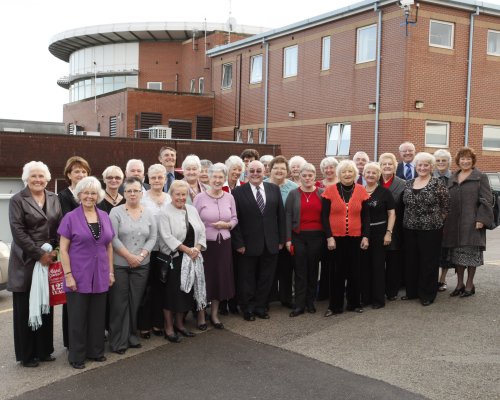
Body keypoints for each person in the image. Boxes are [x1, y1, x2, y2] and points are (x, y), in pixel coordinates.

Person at [8, 161, 61, 367]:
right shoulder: (17, 200)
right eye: (33, 176)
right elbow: (17, 231)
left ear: (47, 178)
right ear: (26, 179)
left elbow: (59, 227)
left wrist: (55, 250)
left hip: (49, 259)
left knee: (45, 305)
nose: (38, 180)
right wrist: (39, 254)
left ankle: (44, 350)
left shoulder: (54, 198)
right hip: (26, 260)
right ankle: (27, 354)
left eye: (41, 176)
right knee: (25, 308)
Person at [58, 176, 115, 369]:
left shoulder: (104, 216)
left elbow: (108, 246)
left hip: (101, 273)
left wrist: (111, 272)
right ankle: (77, 356)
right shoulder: (70, 217)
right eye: (86, 193)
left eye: (93, 193)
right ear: (79, 194)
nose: (89, 196)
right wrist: (68, 275)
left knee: (97, 316)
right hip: (78, 274)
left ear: (98, 195)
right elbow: (63, 249)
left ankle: (96, 351)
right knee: (78, 317)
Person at [231, 160, 286, 321]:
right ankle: (247, 308)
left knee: (266, 277)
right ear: (246, 173)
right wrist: (239, 243)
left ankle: (261, 306)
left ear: (265, 172)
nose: (255, 173)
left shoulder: (273, 189)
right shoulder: (238, 192)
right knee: (247, 278)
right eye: (252, 171)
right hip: (247, 245)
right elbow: (235, 220)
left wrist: (281, 240)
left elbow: (280, 217)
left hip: (271, 243)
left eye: (258, 171)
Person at [108, 177, 157, 354]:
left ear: (141, 192)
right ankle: (117, 341)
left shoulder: (149, 213)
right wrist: (129, 256)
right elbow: (112, 238)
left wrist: (142, 255)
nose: (133, 193)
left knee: (134, 302)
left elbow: (152, 237)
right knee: (119, 304)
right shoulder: (116, 212)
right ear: (124, 193)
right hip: (120, 264)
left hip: (142, 265)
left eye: (136, 190)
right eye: (129, 191)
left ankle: (130, 336)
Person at [158, 180, 207, 343]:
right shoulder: (164, 212)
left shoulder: (192, 209)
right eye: (177, 194)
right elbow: (166, 236)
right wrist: (187, 250)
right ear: (171, 195)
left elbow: (202, 230)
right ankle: (169, 328)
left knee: (185, 293)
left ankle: (180, 324)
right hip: (175, 259)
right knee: (172, 295)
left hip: (193, 258)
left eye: (183, 194)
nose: (180, 197)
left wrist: (197, 249)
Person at [443, 147, 493, 298]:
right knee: (457, 255)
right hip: (453, 223)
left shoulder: (480, 177)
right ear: (458, 161)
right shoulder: (453, 176)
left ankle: (470, 284)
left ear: (473, 160)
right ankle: (459, 284)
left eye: (468, 159)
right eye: (462, 159)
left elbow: (487, 200)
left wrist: (481, 219)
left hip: (472, 222)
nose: (465, 161)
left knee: (471, 254)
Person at [322, 159, 369, 316]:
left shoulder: (362, 191)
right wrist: (329, 237)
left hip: (356, 238)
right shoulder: (330, 191)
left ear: (355, 173)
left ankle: (354, 303)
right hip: (336, 239)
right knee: (336, 273)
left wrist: (366, 236)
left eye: (350, 171)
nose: (347, 174)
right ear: (339, 174)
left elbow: (366, 217)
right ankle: (334, 306)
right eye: (344, 171)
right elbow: (324, 216)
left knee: (355, 271)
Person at [193, 163, 238, 329]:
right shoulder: (199, 198)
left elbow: (234, 219)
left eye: (221, 177)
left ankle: (214, 314)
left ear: (224, 179)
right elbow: (193, 221)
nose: (217, 180)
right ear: (209, 178)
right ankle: (201, 315)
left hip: (224, 244)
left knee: (220, 279)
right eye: (215, 177)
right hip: (205, 246)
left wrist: (226, 225)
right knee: (204, 280)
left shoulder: (229, 197)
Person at [401, 152, 449, 306]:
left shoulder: (437, 184)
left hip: (431, 230)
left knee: (428, 262)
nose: (422, 167)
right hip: (409, 228)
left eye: (426, 165)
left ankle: (427, 294)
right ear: (415, 166)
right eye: (420, 165)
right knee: (411, 261)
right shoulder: (408, 183)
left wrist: (435, 221)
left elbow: (446, 206)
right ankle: (412, 292)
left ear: (431, 167)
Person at [58, 156, 91, 349]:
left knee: (88, 298)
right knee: (72, 297)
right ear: (69, 174)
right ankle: (71, 341)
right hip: (73, 252)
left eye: (84, 171)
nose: (80, 174)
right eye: (76, 171)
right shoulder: (63, 196)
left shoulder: (91, 194)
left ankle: (87, 336)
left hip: (91, 254)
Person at [285, 163, 324, 317]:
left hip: (317, 236)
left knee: (313, 270)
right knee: (300, 270)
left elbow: (326, 216)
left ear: (315, 177)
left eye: (310, 175)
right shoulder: (293, 194)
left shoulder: (322, 193)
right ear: (299, 177)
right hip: (298, 236)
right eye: (304, 176)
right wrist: (288, 239)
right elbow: (287, 216)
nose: (307, 178)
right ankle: (299, 305)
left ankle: (310, 302)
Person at [138, 164, 172, 338]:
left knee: (161, 287)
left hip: (166, 250)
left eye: (160, 177)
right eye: (153, 177)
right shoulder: (142, 198)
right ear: (147, 179)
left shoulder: (169, 198)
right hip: (147, 250)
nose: (157, 180)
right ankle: (144, 324)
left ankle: (158, 323)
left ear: (165, 179)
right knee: (146, 288)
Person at [360, 162, 396, 309]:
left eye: (374, 173)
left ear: (378, 175)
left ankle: (378, 300)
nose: (370, 175)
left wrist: (389, 233)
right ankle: (365, 298)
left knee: (378, 266)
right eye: (368, 172)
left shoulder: (384, 192)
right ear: (363, 174)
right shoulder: (359, 191)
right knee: (364, 266)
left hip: (380, 233)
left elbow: (392, 213)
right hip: (362, 234)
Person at [266, 156, 298, 309]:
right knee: (267, 268)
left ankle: (286, 298)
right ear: (270, 170)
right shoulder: (262, 185)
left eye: (283, 169)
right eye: (276, 168)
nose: (279, 171)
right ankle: (268, 298)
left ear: (288, 171)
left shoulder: (293, 188)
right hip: (267, 234)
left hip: (287, 235)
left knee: (286, 268)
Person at [378, 152, 406, 301]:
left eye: (390, 164)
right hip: (376, 228)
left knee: (393, 261)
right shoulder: (373, 181)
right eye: (384, 164)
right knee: (378, 260)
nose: (387, 167)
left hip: (396, 229)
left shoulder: (403, 183)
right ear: (380, 167)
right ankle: (378, 289)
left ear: (395, 166)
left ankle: (392, 291)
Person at [315, 156, 339, 301]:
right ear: (322, 170)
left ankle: (336, 289)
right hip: (320, 228)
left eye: (332, 167)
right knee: (323, 260)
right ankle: (323, 291)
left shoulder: (343, 184)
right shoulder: (317, 185)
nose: (329, 170)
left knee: (336, 260)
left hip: (338, 227)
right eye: (326, 168)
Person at [433, 149, 453, 292]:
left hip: (449, 219)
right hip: (431, 219)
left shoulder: (454, 177)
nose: (440, 163)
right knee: (432, 250)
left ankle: (442, 279)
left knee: (445, 250)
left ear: (448, 162)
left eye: (443, 160)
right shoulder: (428, 176)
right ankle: (432, 278)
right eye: (438, 160)